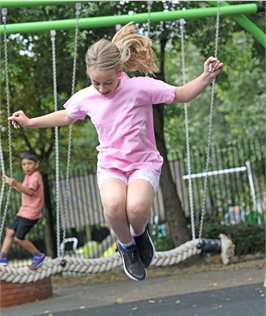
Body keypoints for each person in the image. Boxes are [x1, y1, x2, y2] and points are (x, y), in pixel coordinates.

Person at [9, 23, 223, 281]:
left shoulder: (141, 88)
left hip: (143, 162)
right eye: (95, 82)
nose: (101, 88)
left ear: (119, 71)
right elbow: (66, 115)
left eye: (107, 82)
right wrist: (30, 122)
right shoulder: (87, 96)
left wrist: (206, 76)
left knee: (136, 208)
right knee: (112, 205)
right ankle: (127, 248)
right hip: (111, 165)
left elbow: (181, 95)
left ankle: (140, 234)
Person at [0, 151, 46, 270]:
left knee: (19, 238)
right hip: (23, 211)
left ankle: (38, 255)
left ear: (36, 164)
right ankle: (2, 257)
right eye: (24, 164)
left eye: (29, 163)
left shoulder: (35, 176)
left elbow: (30, 192)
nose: (26, 166)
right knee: (10, 231)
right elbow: (23, 189)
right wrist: (11, 183)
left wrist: (16, 183)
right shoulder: (27, 177)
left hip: (31, 213)